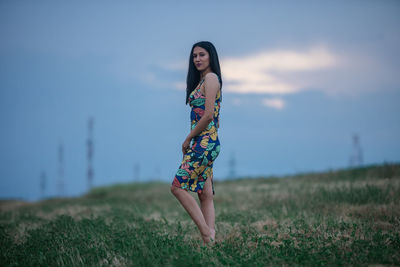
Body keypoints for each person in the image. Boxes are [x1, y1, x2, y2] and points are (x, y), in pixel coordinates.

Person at [170, 41, 222, 245]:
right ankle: (210, 245)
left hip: (205, 142)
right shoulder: (202, 80)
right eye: (194, 56)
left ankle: (205, 234)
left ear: (211, 57)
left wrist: (189, 138)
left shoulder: (210, 78)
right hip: (207, 141)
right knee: (205, 194)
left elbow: (209, 115)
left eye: (202, 55)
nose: (197, 59)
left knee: (177, 187)